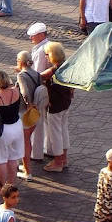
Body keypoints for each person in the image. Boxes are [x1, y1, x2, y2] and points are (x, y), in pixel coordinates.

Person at [0, 71, 23, 194]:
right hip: (17, 126)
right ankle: (11, 184)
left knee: (1, 159)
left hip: (4, 130)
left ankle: (2, 188)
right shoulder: (16, 91)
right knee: (13, 158)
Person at [42, 41, 72, 172]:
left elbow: (38, 76)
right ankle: (64, 158)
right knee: (63, 131)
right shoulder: (67, 66)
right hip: (65, 103)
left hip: (55, 105)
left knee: (55, 134)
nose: (45, 57)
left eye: (47, 54)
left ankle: (58, 161)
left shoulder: (53, 70)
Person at [15, 50, 43, 182]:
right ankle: (26, 166)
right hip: (36, 113)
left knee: (25, 142)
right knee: (28, 139)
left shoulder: (21, 76)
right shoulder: (37, 74)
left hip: (25, 112)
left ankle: (27, 171)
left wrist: (28, 104)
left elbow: (24, 92)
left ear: (20, 62)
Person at [27, 22, 50, 162]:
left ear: (41, 35)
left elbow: (38, 73)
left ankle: (36, 152)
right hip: (45, 89)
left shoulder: (41, 51)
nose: (31, 39)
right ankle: (49, 148)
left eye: (33, 36)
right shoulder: (44, 46)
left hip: (39, 90)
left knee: (38, 121)